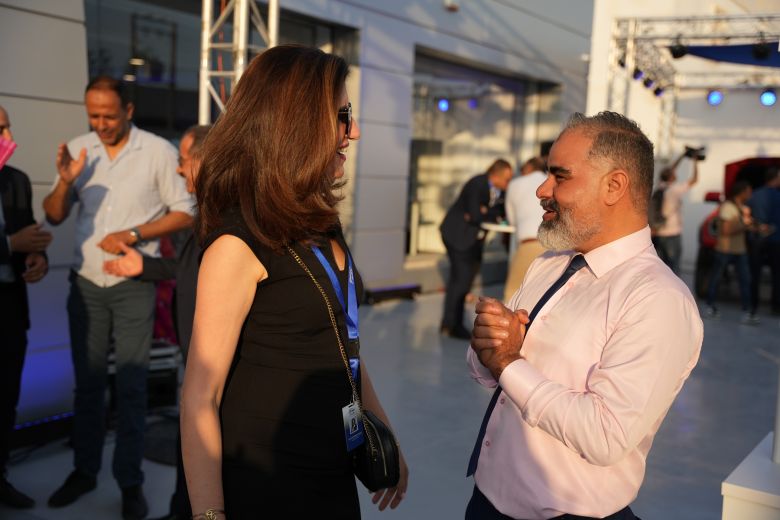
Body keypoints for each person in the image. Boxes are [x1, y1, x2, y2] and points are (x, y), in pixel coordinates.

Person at [180, 45, 408, 519]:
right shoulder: (237, 243)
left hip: (331, 469)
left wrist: (382, 432)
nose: (355, 131)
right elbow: (200, 397)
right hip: (267, 483)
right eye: (344, 115)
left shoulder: (319, 223)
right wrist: (208, 515)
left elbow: (341, 342)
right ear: (298, 122)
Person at [467, 112, 703, 519]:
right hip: (487, 499)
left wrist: (508, 361)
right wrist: (491, 344)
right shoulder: (550, 263)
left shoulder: (658, 300)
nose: (543, 189)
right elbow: (488, 374)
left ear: (614, 186)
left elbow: (606, 435)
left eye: (560, 177)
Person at [42, 76, 194, 519]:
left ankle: (130, 482)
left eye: (109, 114)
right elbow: (52, 217)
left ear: (128, 110)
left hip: (132, 286)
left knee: (131, 388)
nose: (101, 123)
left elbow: (186, 212)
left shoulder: (158, 152)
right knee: (88, 387)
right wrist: (66, 182)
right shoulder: (79, 149)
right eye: (93, 115)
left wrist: (134, 233)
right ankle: (84, 471)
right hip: (86, 284)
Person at [103, 124, 211, 520]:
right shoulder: (208, 215)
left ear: (202, 161)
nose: (180, 171)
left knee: (202, 442)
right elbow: (187, 271)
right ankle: (180, 510)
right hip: (197, 356)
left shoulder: (223, 219)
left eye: (183, 161)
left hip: (211, 362)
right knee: (191, 440)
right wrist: (143, 266)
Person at [0, 106, 52, 509]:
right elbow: (12, 241)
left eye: (7, 126)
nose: (8, 134)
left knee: (6, 397)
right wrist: (9, 246)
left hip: (10, 308)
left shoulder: (16, 181)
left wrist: (37, 258)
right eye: (0, 127)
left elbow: (26, 235)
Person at [440, 159, 513, 339]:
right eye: (506, 179)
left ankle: (451, 323)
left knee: (464, 281)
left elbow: (497, 213)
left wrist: (484, 212)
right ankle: (451, 324)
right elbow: (475, 214)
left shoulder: (499, 192)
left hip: (473, 241)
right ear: (495, 175)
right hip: (458, 237)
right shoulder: (477, 183)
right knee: (460, 281)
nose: (508, 184)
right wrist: (485, 213)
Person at [705, 180, 762, 323]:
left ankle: (746, 312)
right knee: (716, 278)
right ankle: (710, 307)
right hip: (725, 249)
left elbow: (744, 226)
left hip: (740, 250)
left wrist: (760, 228)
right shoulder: (728, 208)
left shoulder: (743, 208)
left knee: (745, 280)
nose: (750, 194)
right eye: (748, 191)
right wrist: (744, 225)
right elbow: (725, 230)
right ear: (741, 192)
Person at [503, 157, 547, 302]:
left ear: (528, 168)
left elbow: (512, 219)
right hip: (557, 245)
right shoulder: (550, 181)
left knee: (513, 293)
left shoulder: (515, 184)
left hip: (530, 242)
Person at [651, 149, 700, 274]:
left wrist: (683, 156)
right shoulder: (674, 190)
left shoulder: (661, 186)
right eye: (673, 173)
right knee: (674, 267)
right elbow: (694, 180)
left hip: (660, 232)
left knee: (661, 267)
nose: (675, 173)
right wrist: (695, 161)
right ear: (671, 177)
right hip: (672, 234)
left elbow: (670, 170)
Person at [747, 167, 780, 316]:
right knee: (777, 274)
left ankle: (753, 305)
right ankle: (776, 306)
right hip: (775, 240)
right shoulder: (778, 196)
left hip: (757, 239)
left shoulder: (754, 195)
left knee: (755, 273)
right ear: (775, 178)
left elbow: (747, 216)